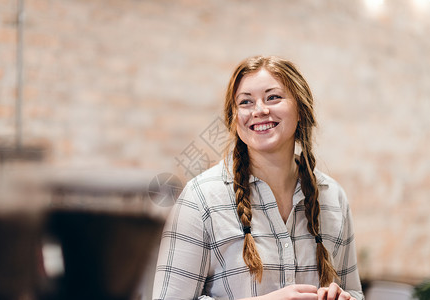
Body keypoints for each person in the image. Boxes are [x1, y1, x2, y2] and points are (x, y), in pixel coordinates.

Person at [152, 56, 364, 300]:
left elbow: (355, 292)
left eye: (273, 97)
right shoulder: (200, 198)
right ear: (234, 119)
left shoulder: (333, 196)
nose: (260, 110)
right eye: (246, 102)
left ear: (300, 111)